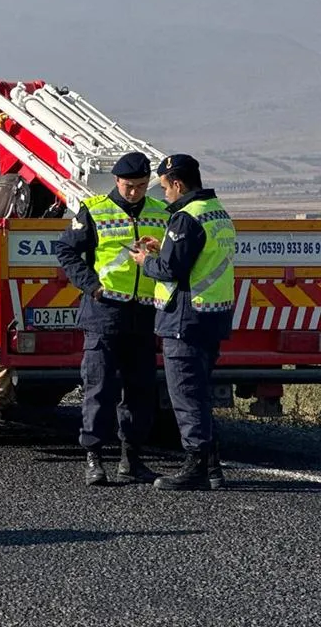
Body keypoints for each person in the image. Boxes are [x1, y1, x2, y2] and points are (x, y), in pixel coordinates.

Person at [54, 152, 169, 486]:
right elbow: (67, 251)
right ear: (117, 181)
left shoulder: (161, 213)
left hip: (144, 313)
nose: (134, 192)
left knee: (141, 390)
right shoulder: (95, 209)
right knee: (99, 387)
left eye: (141, 186)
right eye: (128, 186)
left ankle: (131, 459)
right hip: (104, 312)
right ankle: (94, 457)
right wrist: (91, 287)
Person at [131, 154, 235, 490]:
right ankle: (213, 468)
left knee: (186, 395)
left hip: (185, 319)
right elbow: (198, 259)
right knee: (201, 393)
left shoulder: (186, 219)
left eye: (164, 188)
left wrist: (146, 261)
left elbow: (171, 270)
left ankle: (195, 469)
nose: (164, 196)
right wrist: (165, 249)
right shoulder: (217, 213)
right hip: (212, 316)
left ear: (177, 183)